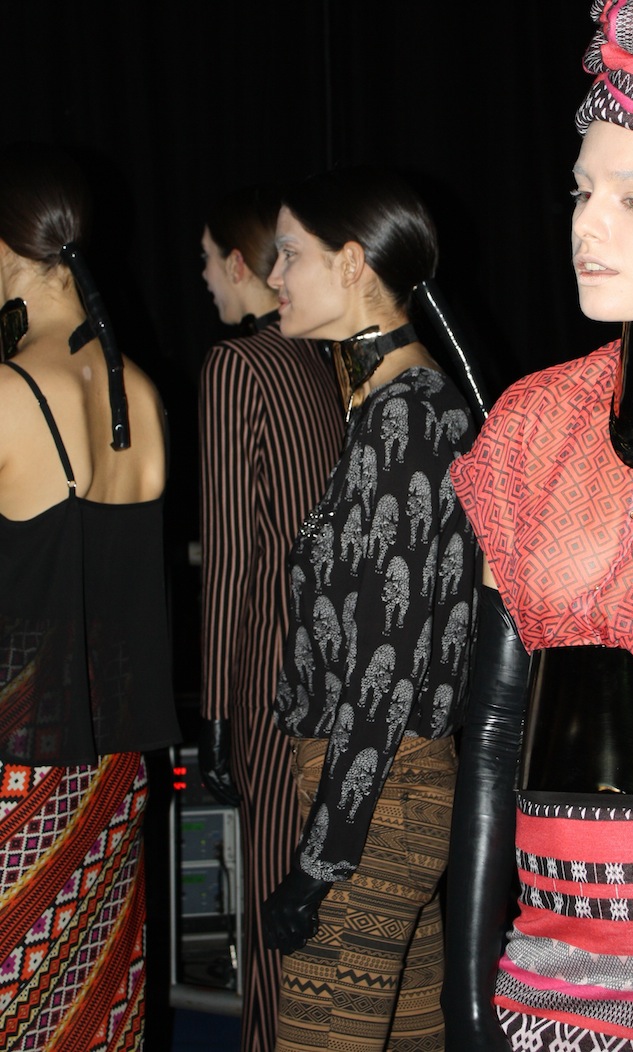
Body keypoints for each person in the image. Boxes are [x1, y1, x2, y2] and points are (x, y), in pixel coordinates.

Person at [442, 2, 633, 1050]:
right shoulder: (535, 421)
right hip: (552, 940)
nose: (588, 226)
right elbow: (493, 730)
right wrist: (467, 990)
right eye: (583, 193)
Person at [260, 165, 478, 1051]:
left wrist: (321, 862)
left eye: (289, 253)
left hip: (371, 802)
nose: (273, 275)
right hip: (390, 795)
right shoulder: (395, 406)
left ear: (351, 263)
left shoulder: (403, 419)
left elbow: (384, 667)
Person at [0, 142, 181, 1049]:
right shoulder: (138, 390)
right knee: (89, 1015)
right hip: (111, 772)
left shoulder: (6, 392)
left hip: (16, 779)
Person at [197, 185, 344, 1052]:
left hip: (268, 675)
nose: (204, 281)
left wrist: (216, 711)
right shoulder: (319, 362)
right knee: (314, 906)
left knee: (271, 906)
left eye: (207, 263)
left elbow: (231, 561)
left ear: (238, 263)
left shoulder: (236, 365)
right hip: (337, 670)